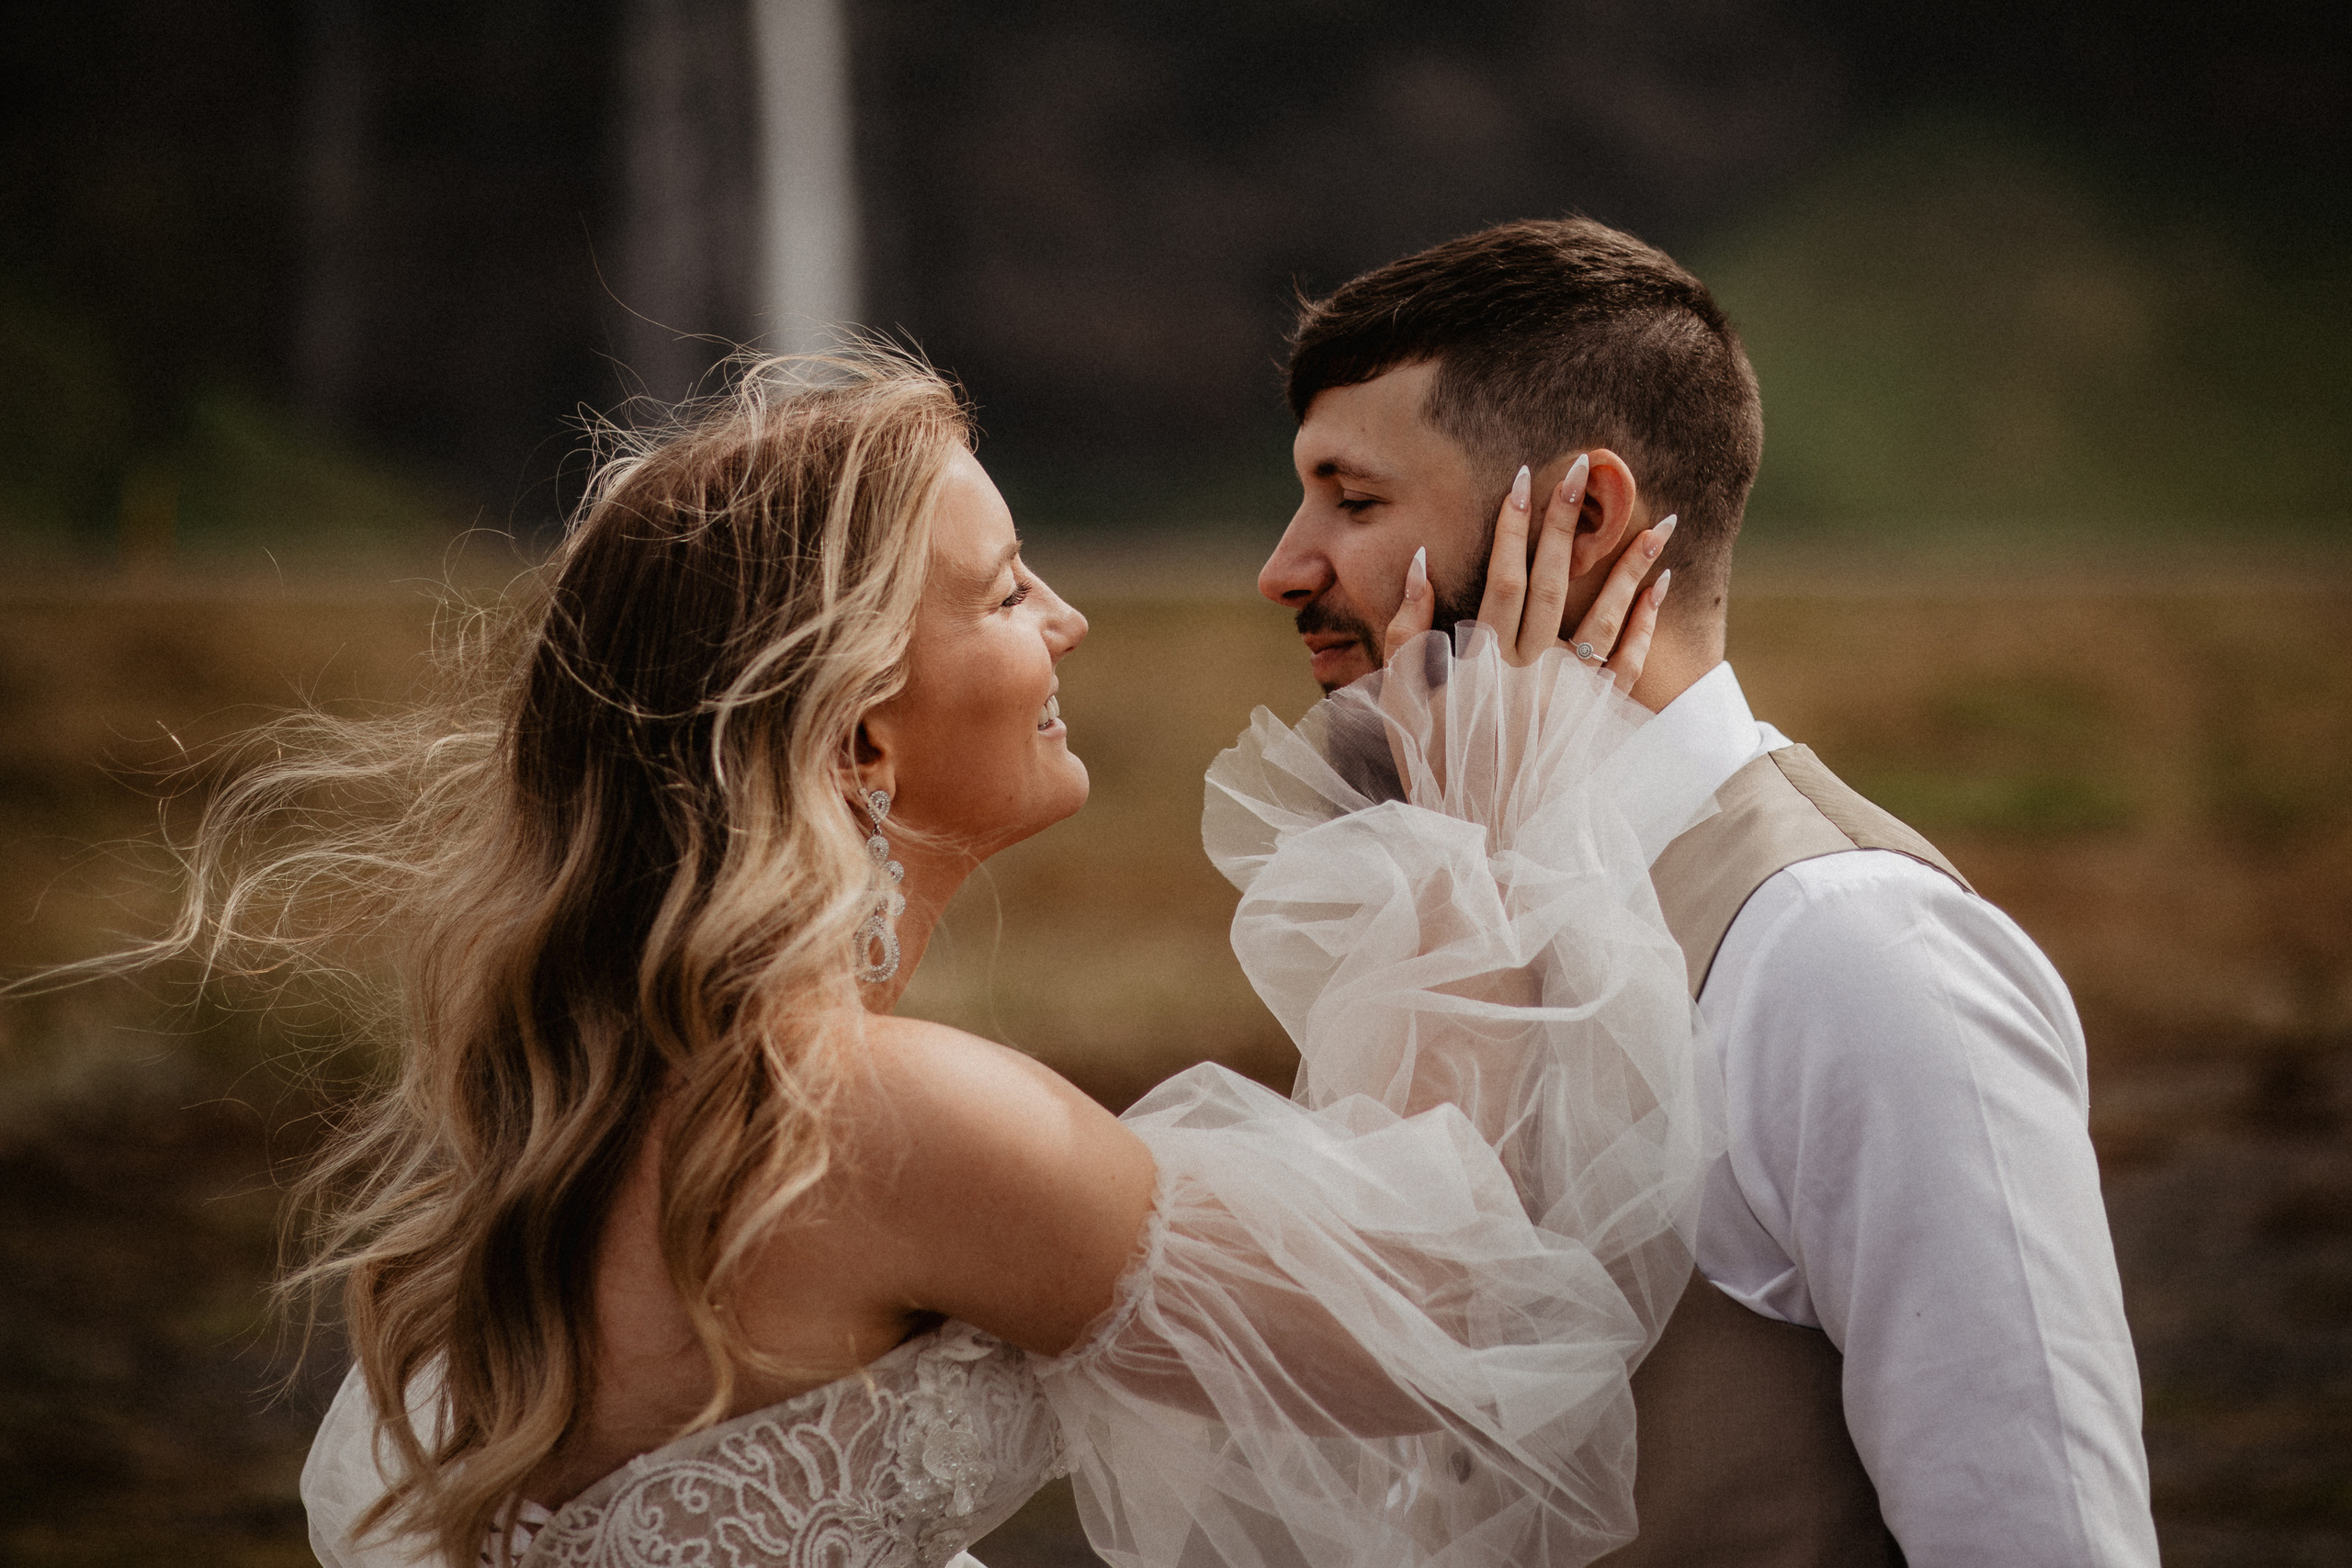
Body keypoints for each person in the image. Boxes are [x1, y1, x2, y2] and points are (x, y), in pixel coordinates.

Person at [105, 349, 1713, 1568]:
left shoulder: (602, 1093)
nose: (1069, 622)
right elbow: (1456, 1330)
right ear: (862, 726)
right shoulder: (869, 1118)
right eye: (1008, 589)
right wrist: (1475, 838)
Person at [1257, 216, 2162, 1565]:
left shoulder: (1851, 954)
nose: (1285, 567)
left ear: (1584, 514)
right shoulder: (1445, 917)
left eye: (1357, 498)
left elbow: (2045, 1538)